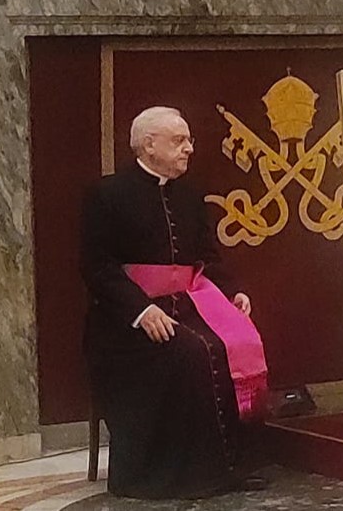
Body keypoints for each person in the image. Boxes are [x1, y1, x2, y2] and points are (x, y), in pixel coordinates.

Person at [81, 106, 269, 499]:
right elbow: (97, 267)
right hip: (125, 321)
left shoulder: (190, 194)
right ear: (149, 145)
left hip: (185, 306)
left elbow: (207, 255)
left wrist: (233, 290)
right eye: (179, 141)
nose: (189, 149)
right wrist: (140, 310)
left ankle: (228, 467)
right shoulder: (107, 194)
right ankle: (177, 475)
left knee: (228, 345)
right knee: (189, 352)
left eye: (189, 141)